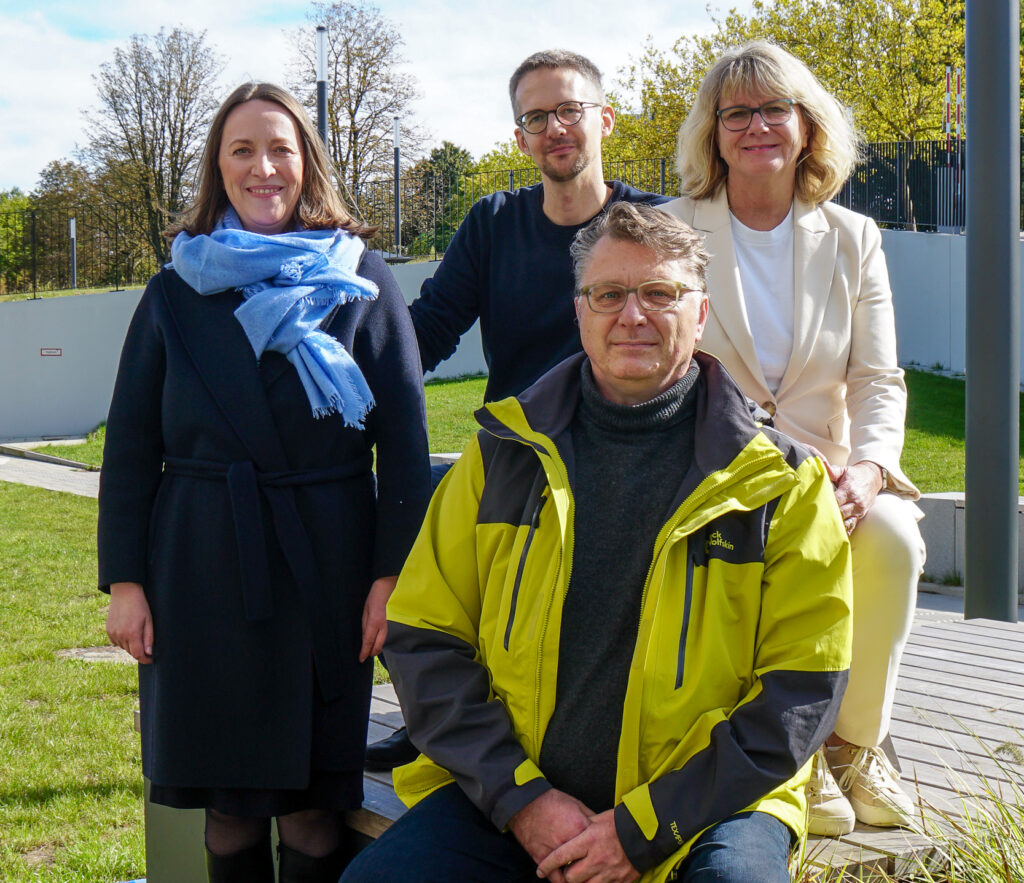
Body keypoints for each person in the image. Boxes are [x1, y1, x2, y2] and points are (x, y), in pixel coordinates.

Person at [342, 202, 853, 883]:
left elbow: (804, 687)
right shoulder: (501, 457)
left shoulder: (781, 482)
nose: (632, 315)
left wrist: (644, 829)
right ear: (579, 310)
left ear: (701, 313)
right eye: (608, 294)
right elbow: (424, 637)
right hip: (515, 792)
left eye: (660, 293)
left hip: (706, 806)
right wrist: (524, 801)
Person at [98, 82, 431, 883]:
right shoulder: (175, 288)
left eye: (280, 148)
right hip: (201, 570)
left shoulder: (361, 278)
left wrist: (391, 576)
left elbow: (405, 446)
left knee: (315, 813)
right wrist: (126, 582)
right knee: (227, 813)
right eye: (242, 150)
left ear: (306, 161)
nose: (264, 167)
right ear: (218, 166)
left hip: (327, 568)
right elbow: (132, 445)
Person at [365, 47, 668, 771]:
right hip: (513, 452)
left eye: (569, 109)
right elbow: (429, 329)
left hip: (623, 451)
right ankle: (435, 715)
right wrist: (349, 381)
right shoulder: (494, 222)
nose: (555, 127)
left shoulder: (652, 223)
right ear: (520, 138)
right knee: (402, 520)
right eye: (536, 117)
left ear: (605, 119)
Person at [661, 41, 926, 836]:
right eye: (736, 113)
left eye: (774, 108)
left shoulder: (854, 237)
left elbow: (878, 377)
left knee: (895, 540)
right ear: (713, 133)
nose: (757, 126)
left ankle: (854, 744)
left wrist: (870, 470)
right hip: (709, 473)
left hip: (833, 477)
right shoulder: (671, 229)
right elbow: (657, 370)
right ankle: (792, 757)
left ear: (806, 126)